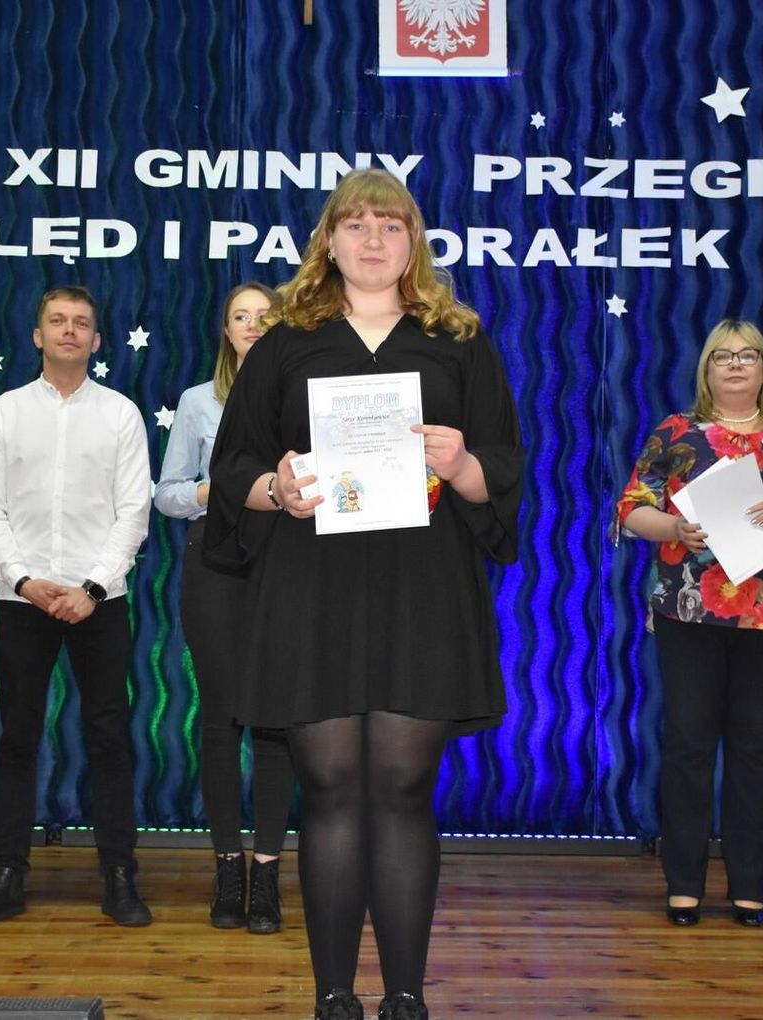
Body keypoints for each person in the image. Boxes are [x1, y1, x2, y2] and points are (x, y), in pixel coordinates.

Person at [205, 170, 523, 1020]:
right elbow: (235, 465)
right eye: (356, 224)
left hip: (425, 589)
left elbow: (504, 466)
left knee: (404, 789)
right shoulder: (286, 342)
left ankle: (407, 996)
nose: (373, 239)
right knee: (332, 790)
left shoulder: (459, 340)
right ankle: (335, 997)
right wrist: (276, 488)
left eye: (391, 224)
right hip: (312, 590)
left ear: (414, 241)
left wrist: (463, 465)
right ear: (329, 241)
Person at [616, 317, 763, 929]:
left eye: (748, 355)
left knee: (754, 746)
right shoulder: (676, 432)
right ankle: (684, 885)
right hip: (687, 608)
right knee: (689, 743)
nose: (736, 364)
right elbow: (631, 508)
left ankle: (749, 887)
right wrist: (674, 527)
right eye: (723, 356)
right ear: (707, 369)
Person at [0, 285, 154, 928]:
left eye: (81, 323)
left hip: (101, 601)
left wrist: (91, 588)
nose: (69, 331)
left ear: (96, 341)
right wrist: (22, 579)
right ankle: (8, 874)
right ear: (37, 335)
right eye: (57, 321)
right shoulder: (6, 412)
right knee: (17, 736)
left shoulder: (121, 414)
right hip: (24, 599)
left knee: (109, 738)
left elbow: (134, 510)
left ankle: (119, 875)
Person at [154, 282, 296, 935]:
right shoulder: (196, 402)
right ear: (226, 330)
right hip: (212, 562)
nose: (252, 325)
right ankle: (228, 868)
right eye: (241, 316)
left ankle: (266, 874)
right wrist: (218, 490)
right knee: (220, 721)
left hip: (283, 566)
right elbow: (166, 493)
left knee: (274, 722)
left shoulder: (299, 397)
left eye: (264, 316)